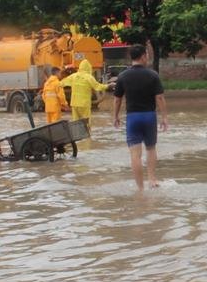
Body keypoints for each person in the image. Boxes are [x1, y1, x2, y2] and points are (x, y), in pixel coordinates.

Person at [112, 44, 169, 190]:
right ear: (143, 56)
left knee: (135, 154)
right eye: (147, 55)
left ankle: (140, 188)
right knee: (151, 148)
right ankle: (152, 180)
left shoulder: (123, 76)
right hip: (149, 116)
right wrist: (164, 117)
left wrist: (115, 116)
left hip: (132, 118)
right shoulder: (153, 75)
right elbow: (160, 98)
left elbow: (117, 99)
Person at [60, 58, 109, 135]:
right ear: (89, 68)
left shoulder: (74, 76)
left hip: (74, 104)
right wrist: (108, 86)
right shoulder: (89, 77)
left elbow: (61, 83)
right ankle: (86, 140)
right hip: (84, 104)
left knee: (75, 123)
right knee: (86, 123)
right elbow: (98, 87)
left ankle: (77, 138)